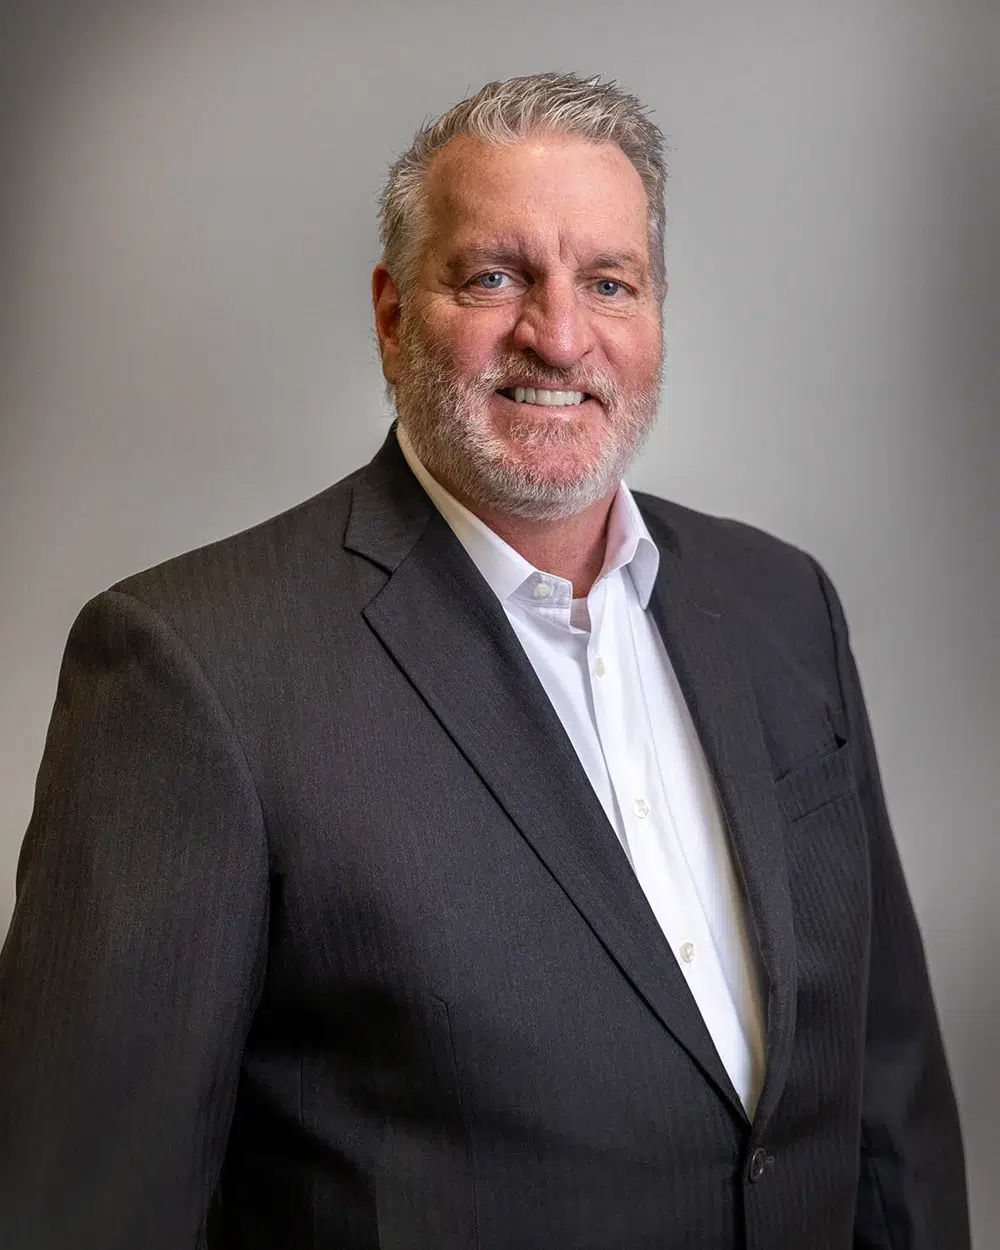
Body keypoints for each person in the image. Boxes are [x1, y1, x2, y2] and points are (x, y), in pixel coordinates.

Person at [0, 72, 969, 1250]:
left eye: (608, 281)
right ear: (394, 314)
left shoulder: (782, 606)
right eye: (494, 276)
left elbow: (888, 1102)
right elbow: (84, 1208)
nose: (559, 335)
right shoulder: (190, 670)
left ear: (656, 310)